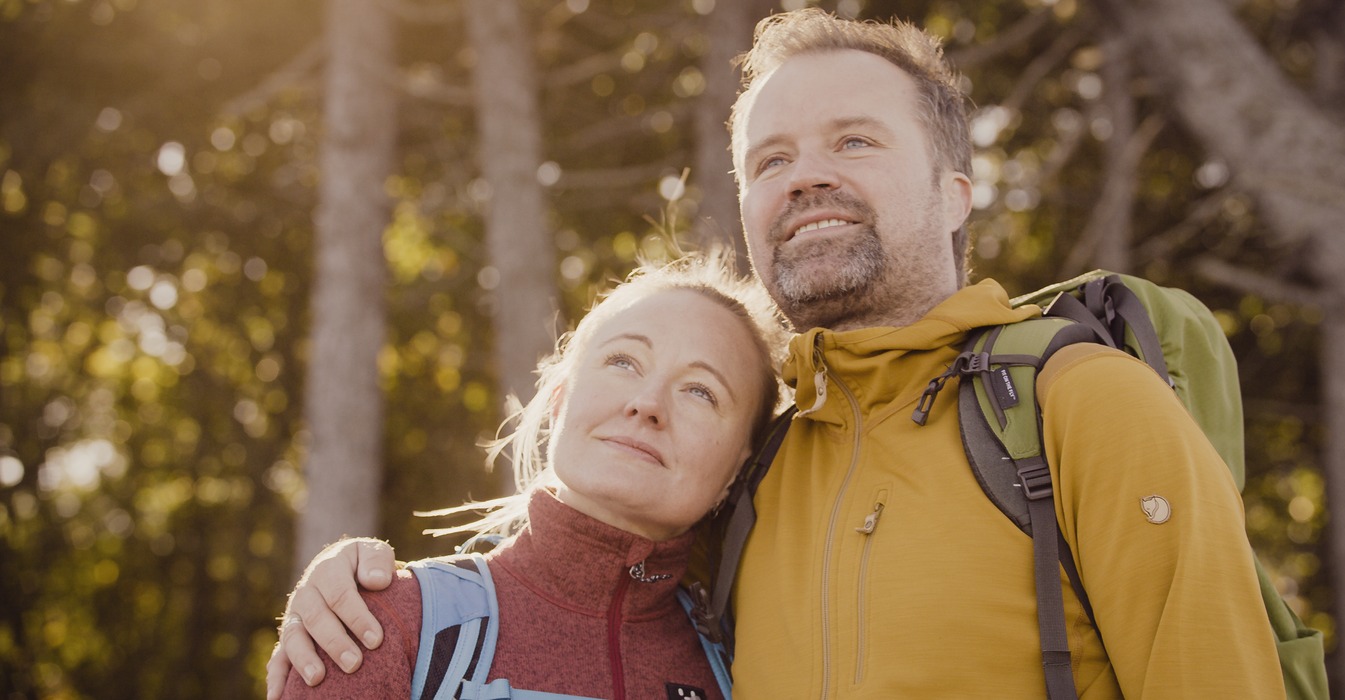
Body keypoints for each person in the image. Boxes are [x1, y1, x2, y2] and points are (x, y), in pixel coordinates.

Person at [269, 9, 1286, 698]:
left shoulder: (1079, 403)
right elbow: (591, 574)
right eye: (771, 159)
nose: (806, 178)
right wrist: (357, 586)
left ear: (955, 192)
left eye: (854, 142)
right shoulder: (758, 464)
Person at [275, 254, 786, 698]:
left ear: (737, 469)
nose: (647, 404)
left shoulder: (746, 669)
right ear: (561, 396)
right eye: (624, 361)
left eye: (701, 391)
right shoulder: (380, 627)